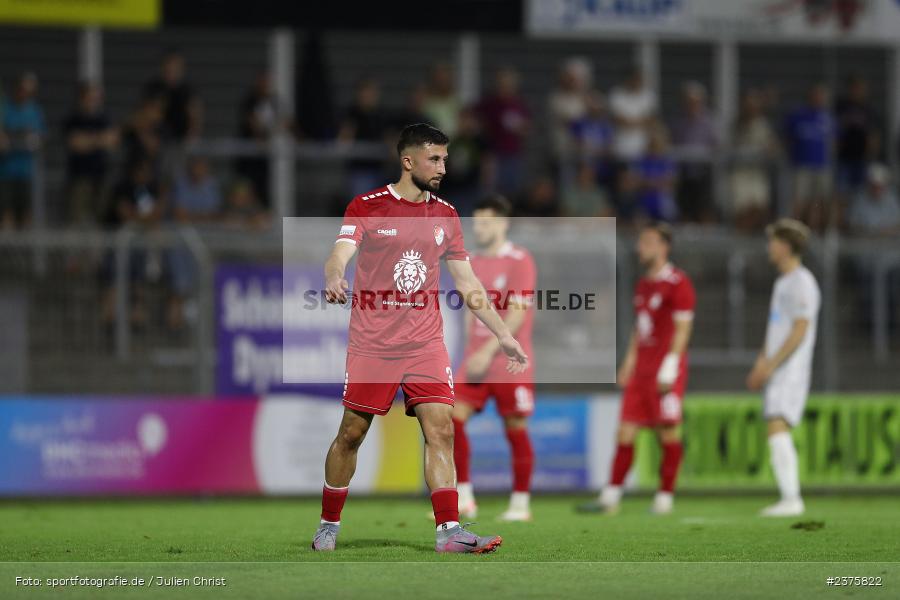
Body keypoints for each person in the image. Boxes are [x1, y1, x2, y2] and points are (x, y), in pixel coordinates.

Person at [311, 123, 528, 554]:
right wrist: (334, 276)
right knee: (352, 432)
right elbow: (339, 254)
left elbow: (467, 283)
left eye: (445, 159)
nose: (443, 167)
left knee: (441, 429)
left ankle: (449, 531)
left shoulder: (446, 215)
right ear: (408, 161)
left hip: (425, 343)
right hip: (373, 343)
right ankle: (328, 526)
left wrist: (503, 334)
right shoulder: (367, 206)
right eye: (435, 159)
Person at [581, 222, 695, 515]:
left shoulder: (678, 283)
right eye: (640, 242)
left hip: (665, 371)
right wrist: (629, 363)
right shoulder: (644, 284)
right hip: (641, 371)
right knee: (625, 432)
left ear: (663, 247)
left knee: (667, 434)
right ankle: (610, 498)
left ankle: (664, 498)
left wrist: (670, 366)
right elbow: (639, 328)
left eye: (647, 242)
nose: (640, 248)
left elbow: (683, 329)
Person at [451, 195, 537, 522]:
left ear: (503, 223)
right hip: (475, 360)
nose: (479, 228)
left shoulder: (520, 260)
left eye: (486, 222)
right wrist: (468, 353)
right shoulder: (470, 260)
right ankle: (464, 498)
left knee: (515, 426)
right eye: (476, 222)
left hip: (508, 361)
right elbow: (469, 313)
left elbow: (517, 314)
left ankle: (520, 504)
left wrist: (487, 352)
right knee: (450, 418)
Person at [746, 218, 820, 517]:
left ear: (786, 246)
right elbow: (776, 329)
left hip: (791, 368)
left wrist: (773, 364)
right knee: (775, 426)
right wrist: (761, 363)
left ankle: (791, 498)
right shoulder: (783, 282)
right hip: (777, 368)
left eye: (773, 241)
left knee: (777, 425)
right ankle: (789, 497)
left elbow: (800, 329)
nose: (769, 247)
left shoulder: (802, 282)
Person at [62, 81, 118, 227]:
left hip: (101, 174)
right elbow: (75, 143)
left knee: (102, 219)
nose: (94, 101)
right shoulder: (74, 119)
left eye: (96, 97)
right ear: (82, 97)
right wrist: (100, 139)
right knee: (76, 219)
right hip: (80, 176)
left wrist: (88, 140)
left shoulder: (105, 118)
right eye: (90, 97)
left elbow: (112, 140)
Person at [784, 84, 835, 230]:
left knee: (817, 201)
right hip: (801, 165)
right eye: (816, 96)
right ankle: (794, 229)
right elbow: (787, 138)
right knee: (799, 199)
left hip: (821, 165)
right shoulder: (798, 116)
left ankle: (813, 230)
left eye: (821, 96)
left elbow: (833, 141)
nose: (818, 99)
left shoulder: (827, 118)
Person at [0, 72, 45, 229]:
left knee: (26, 215)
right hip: (5, 172)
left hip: (26, 172)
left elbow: (39, 139)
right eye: (22, 89)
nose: (25, 94)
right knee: (6, 214)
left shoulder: (35, 111)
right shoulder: (5, 109)